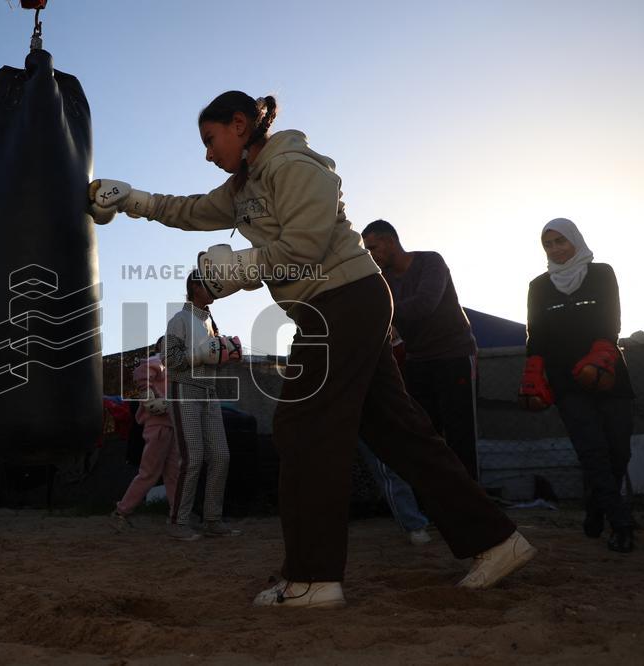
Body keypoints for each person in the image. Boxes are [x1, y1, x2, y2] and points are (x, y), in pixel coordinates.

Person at [88, 91, 533, 607]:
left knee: (302, 428)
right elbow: (187, 210)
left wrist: (237, 268)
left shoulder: (295, 164)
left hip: (346, 300)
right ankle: (497, 540)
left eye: (211, 140)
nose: (207, 154)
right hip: (332, 308)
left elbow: (304, 246)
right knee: (402, 433)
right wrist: (129, 199)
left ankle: (314, 577)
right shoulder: (243, 187)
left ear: (239, 124)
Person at [518, 218, 635, 553]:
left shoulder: (602, 273)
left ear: (575, 240)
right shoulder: (538, 286)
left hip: (608, 373)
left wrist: (602, 349)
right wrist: (533, 367)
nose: (555, 248)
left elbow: (611, 319)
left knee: (618, 451)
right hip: (565, 381)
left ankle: (597, 507)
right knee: (593, 452)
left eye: (560, 241)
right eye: (549, 244)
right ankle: (621, 523)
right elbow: (535, 334)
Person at [361, 220, 480, 481]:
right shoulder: (383, 281)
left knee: (461, 434)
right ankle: (437, 506)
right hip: (417, 362)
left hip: (455, 355)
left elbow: (424, 305)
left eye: (373, 248)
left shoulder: (431, 262)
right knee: (426, 434)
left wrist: (384, 315)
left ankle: (472, 506)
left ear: (390, 241)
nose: (370, 255)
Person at [155, 271, 243, 541]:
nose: (217, 289)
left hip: (209, 393)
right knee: (192, 457)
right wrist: (204, 354)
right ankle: (178, 521)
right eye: (210, 285)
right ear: (195, 286)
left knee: (220, 456)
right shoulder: (179, 319)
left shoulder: (209, 322)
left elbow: (209, 357)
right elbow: (169, 358)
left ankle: (212, 520)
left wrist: (226, 353)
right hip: (184, 391)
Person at [110, 337, 181, 531]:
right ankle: (121, 512)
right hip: (158, 425)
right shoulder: (160, 362)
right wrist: (148, 393)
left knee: (174, 473)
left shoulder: (175, 369)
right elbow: (143, 371)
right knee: (149, 473)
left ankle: (177, 516)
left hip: (171, 425)